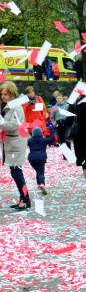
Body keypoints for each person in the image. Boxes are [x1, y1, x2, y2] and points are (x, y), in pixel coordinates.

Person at [0, 81, 31, 211]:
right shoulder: (7, 106)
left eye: (6, 94)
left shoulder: (16, 107)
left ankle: (26, 199)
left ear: (12, 94)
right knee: (15, 172)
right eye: (2, 94)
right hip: (10, 144)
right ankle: (23, 198)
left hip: (16, 144)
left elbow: (13, 125)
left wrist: (0, 122)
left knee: (17, 172)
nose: (3, 96)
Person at [27, 125, 49, 196]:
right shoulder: (43, 140)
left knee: (38, 171)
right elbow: (53, 139)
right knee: (41, 172)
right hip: (41, 157)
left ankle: (39, 184)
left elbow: (24, 144)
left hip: (32, 158)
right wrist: (51, 128)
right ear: (41, 133)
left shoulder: (30, 140)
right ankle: (42, 183)